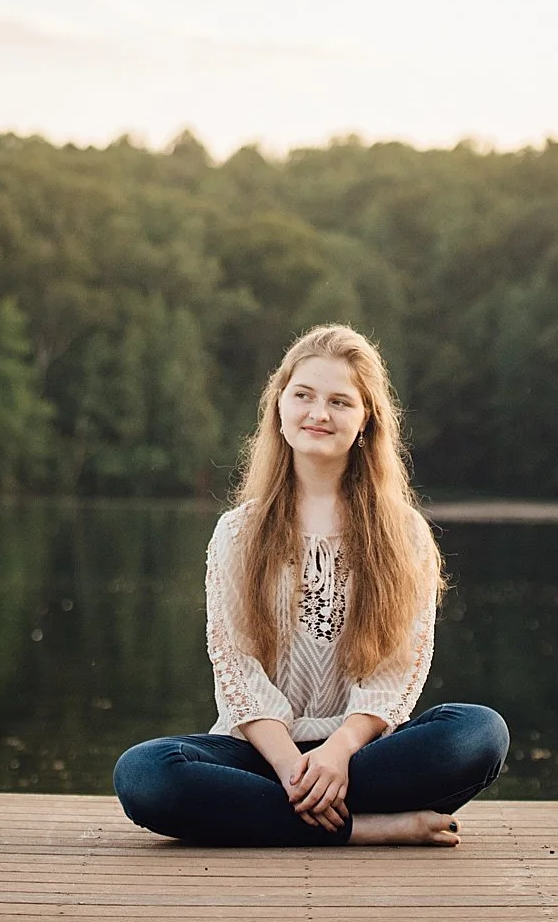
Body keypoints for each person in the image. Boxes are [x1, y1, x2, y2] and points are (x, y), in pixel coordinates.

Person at [114, 323, 509, 846]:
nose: (318, 414)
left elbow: (398, 676)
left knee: (479, 733)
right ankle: (364, 828)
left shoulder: (404, 534)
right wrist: (291, 767)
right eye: (303, 395)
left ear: (366, 421)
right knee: (145, 774)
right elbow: (237, 672)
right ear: (279, 407)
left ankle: (271, 817)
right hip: (260, 755)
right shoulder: (238, 531)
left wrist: (338, 752)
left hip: (365, 755)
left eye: (340, 402)